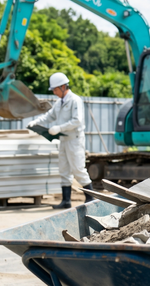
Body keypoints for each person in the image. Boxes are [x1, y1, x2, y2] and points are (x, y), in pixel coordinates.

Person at [28, 72, 94, 208]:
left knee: (78, 169)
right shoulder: (59, 103)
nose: (54, 92)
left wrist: (59, 127)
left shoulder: (75, 100)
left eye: (56, 89)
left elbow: (77, 121)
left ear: (63, 86)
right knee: (64, 170)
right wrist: (36, 122)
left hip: (74, 140)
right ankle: (66, 201)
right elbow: (49, 116)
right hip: (63, 140)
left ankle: (91, 197)